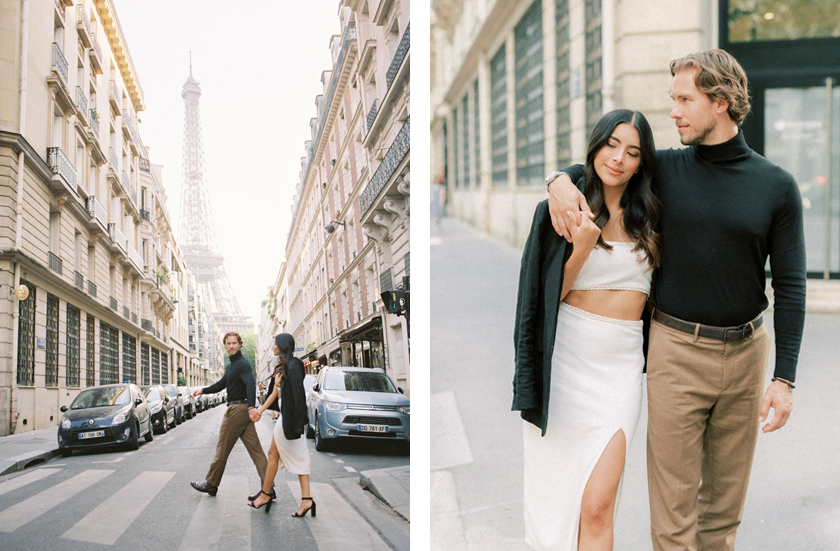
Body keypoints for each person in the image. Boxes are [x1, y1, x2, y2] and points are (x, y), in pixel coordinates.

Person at [546, 49, 806, 551]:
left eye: (685, 99)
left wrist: (784, 379)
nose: (674, 111)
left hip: (747, 355)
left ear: (722, 102)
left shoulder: (777, 187)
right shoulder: (661, 171)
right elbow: (603, 164)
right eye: (674, 99)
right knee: (673, 518)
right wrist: (557, 180)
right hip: (675, 353)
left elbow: (790, 287)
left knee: (722, 517)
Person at [513, 109, 661, 550]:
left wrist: (558, 174)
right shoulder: (561, 210)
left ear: (642, 162)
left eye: (632, 152)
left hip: (620, 370)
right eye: (611, 145)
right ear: (596, 145)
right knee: (558, 502)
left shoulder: (653, 213)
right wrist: (581, 245)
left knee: (598, 504)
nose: (618, 158)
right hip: (566, 366)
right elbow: (541, 302)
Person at [190, 332, 268, 497]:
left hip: (237, 410)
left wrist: (251, 407)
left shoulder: (242, 364)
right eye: (228, 343)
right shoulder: (232, 366)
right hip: (242, 411)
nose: (231, 346)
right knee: (257, 452)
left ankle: (211, 483)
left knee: (222, 448)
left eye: (234, 343)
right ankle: (268, 488)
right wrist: (202, 390)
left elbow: (250, 384)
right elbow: (221, 384)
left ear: (240, 344)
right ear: (225, 346)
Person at [248, 333, 314, 517]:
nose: (273, 347)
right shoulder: (283, 365)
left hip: (291, 418)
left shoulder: (293, 365)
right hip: (287, 417)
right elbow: (277, 395)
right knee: (275, 454)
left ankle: (267, 494)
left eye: (275, 344)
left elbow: (298, 395)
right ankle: (274, 495)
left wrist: (299, 422)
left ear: (282, 346)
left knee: (293, 456)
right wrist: (261, 410)